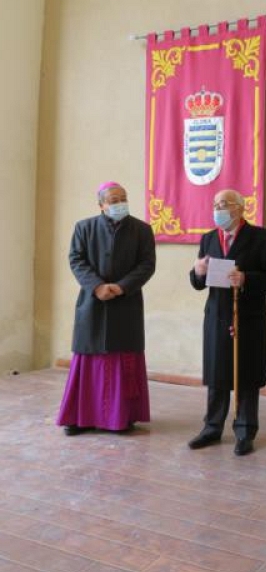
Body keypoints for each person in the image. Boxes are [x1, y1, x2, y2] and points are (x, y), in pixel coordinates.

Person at [188, 189, 266, 456]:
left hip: (249, 317)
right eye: (215, 204)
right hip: (217, 316)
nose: (218, 208)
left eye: (225, 204)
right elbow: (198, 282)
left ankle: (244, 430)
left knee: (246, 374)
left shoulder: (263, 238)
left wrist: (246, 279)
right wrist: (196, 272)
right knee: (217, 373)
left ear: (241, 208)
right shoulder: (208, 238)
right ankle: (212, 427)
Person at [57, 182, 156, 435]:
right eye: (113, 199)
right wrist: (97, 286)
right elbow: (76, 259)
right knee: (88, 359)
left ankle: (121, 417)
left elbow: (147, 264)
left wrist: (121, 287)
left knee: (124, 360)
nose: (119, 203)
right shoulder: (84, 227)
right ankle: (80, 418)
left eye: (123, 198)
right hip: (93, 303)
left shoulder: (142, 230)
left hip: (127, 302)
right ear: (101, 204)